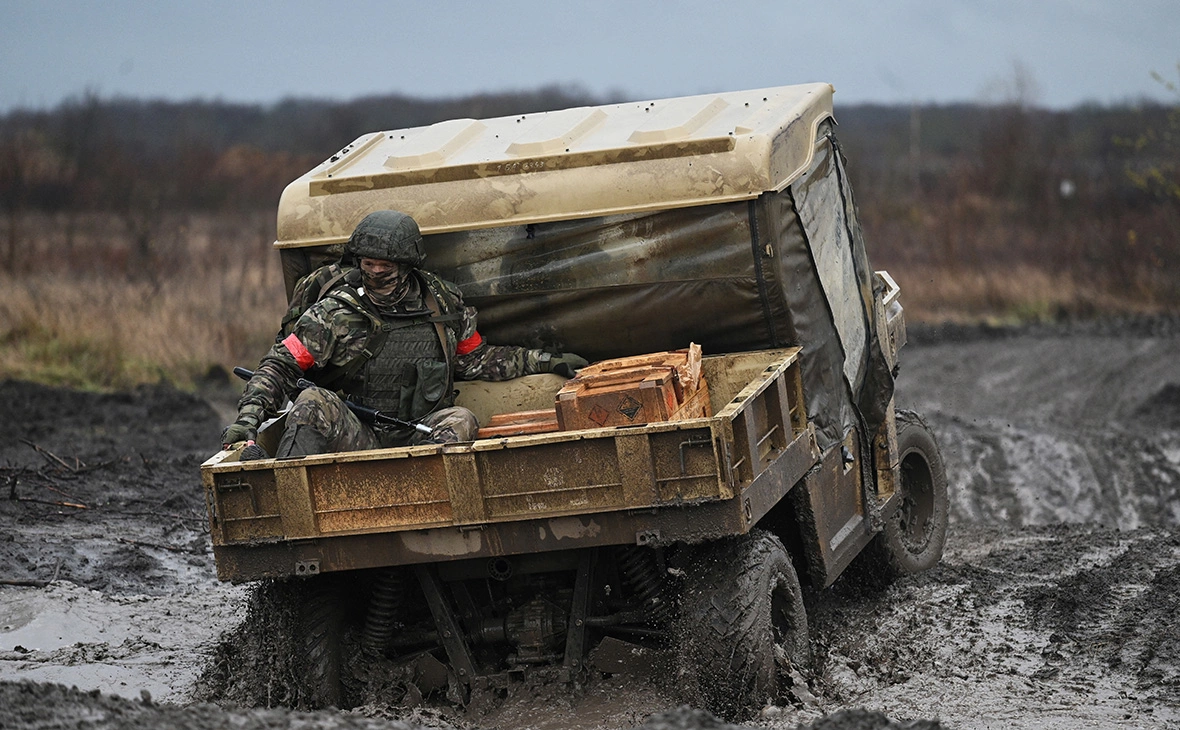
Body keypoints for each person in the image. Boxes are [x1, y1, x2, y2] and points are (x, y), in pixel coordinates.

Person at [220, 210, 588, 456]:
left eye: (386, 265)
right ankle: (292, 501)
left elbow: (475, 359)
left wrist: (544, 361)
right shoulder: (335, 313)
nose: (376, 272)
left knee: (461, 419)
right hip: (356, 432)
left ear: (408, 264)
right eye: (368, 264)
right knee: (311, 402)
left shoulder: (443, 304)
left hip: (419, 434)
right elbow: (280, 366)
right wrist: (247, 420)